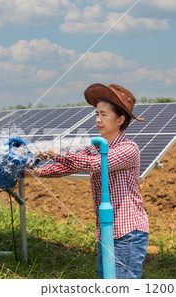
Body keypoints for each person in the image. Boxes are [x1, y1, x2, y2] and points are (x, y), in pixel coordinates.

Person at [25, 83, 149, 279]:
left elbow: (95, 164)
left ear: (120, 120)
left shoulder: (128, 148)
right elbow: (70, 165)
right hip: (107, 231)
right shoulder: (95, 147)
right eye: (97, 114)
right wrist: (38, 172)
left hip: (127, 232)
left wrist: (52, 153)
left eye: (104, 115)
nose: (98, 119)